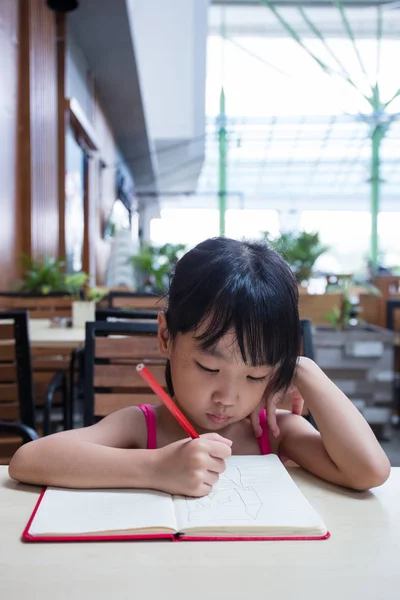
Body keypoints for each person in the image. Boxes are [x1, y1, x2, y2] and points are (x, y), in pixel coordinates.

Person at [9, 237, 390, 496]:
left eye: (256, 374)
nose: (228, 396)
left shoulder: (272, 433)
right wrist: (156, 468)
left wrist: (302, 369)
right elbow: (29, 460)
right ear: (165, 338)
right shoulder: (142, 427)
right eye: (209, 367)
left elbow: (369, 472)